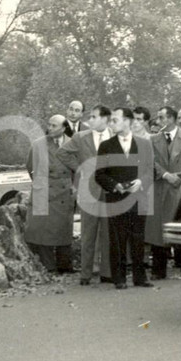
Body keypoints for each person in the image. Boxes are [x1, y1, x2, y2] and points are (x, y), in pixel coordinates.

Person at [95, 107, 154, 289]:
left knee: (138, 238)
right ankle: (119, 278)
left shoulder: (144, 144)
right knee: (117, 239)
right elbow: (99, 174)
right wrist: (114, 185)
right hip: (116, 199)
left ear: (127, 121)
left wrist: (141, 182)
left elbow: (150, 170)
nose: (111, 123)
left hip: (139, 198)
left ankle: (140, 277)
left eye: (115, 120)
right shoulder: (106, 145)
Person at [58, 105, 113, 285]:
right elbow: (62, 153)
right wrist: (79, 168)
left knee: (108, 234)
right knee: (88, 234)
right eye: (90, 117)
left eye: (95, 117)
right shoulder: (81, 137)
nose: (90, 120)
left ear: (105, 119)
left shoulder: (116, 137)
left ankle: (107, 272)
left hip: (110, 191)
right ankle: (86, 274)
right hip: (88, 191)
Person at [145, 106, 181, 279]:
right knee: (158, 229)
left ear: (170, 119)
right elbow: (151, 162)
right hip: (161, 187)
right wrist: (166, 175)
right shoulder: (153, 139)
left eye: (161, 117)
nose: (158, 121)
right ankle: (158, 270)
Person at [24, 115, 75, 273]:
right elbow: (30, 166)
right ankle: (48, 266)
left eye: (54, 126)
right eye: (49, 125)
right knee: (43, 230)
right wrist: (41, 183)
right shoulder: (38, 144)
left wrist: (71, 185)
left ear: (64, 128)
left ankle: (65, 265)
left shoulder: (73, 144)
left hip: (64, 191)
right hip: (44, 190)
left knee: (64, 229)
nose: (50, 128)